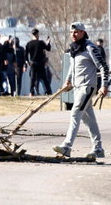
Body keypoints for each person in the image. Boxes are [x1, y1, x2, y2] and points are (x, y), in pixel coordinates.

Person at [53, 22, 108, 159]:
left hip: (87, 86)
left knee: (75, 113)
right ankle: (98, 148)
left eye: (76, 32)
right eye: (71, 32)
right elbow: (72, 68)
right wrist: (67, 81)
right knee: (89, 119)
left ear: (83, 32)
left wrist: (104, 85)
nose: (73, 35)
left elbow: (103, 67)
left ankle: (67, 146)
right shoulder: (74, 49)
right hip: (77, 88)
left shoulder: (90, 47)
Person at [25, 28, 52, 96]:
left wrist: (27, 61)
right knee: (44, 78)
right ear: (37, 34)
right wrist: (48, 42)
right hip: (40, 63)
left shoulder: (29, 44)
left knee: (32, 78)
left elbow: (25, 54)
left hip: (33, 63)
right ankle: (49, 92)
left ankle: (31, 92)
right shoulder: (41, 43)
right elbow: (48, 49)